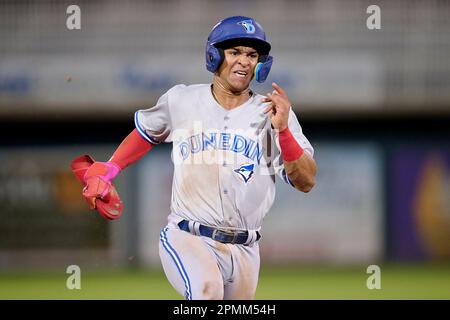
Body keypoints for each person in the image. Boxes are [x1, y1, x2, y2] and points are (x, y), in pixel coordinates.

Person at [79, 16, 317, 300]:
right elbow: (145, 133)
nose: (244, 61)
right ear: (214, 55)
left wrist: (284, 133)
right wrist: (110, 167)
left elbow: (306, 181)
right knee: (207, 292)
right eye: (235, 52)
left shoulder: (274, 113)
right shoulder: (182, 100)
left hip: (245, 248)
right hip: (187, 235)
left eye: (252, 55)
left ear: (261, 64)